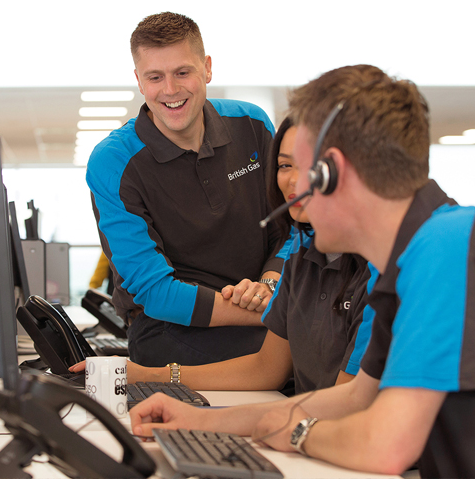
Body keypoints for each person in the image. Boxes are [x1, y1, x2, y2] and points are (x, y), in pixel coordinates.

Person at [130, 65, 475, 478]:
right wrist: (196, 421)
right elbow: (355, 398)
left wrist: (297, 432)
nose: (290, 189)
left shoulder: (444, 251)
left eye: (299, 167)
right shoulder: (406, 257)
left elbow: (385, 447)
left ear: (329, 174)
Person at [76, 118, 375, 394]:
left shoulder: (377, 267)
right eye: (284, 166)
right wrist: (143, 375)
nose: (294, 181)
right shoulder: (302, 254)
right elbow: (266, 369)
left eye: (311, 166)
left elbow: (348, 404)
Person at [86, 12, 282, 367]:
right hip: (171, 330)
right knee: (298, 354)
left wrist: (269, 286)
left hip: (265, 305)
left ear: (207, 68)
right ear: (139, 82)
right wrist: (273, 312)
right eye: (155, 77)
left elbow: (292, 230)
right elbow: (155, 293)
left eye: (183, 72)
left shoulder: (253, 125)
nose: (171, 90)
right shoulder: (112, 162)